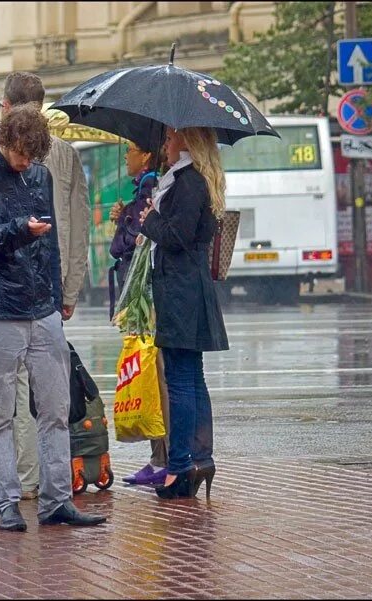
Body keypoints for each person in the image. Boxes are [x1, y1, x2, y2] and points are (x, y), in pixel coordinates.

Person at [0, 105, 106, 531]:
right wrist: (16, 230)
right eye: (22, 155)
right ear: (6, 140)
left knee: (56, 408)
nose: (27, 164)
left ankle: (57, 500)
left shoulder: (40, 173)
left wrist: (55, 297)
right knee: (0, 411)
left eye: (34, 157)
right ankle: (6, 502)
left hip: (41, 310)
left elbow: (50, 241)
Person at [0, 72, 90, 501]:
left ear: (6, 107)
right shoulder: (64, 156)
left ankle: (24, 483)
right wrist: (71, 288)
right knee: (50, 398)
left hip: (7, 296)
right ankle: (45, 484)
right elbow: (76, 227)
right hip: (47, 292)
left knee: (10, 397)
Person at [138, 126, 229, 499]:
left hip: (181, 289)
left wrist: (149, 220)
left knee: (180, 378)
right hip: (187, 285)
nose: (165, 145)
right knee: (191, 376)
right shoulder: (191, 180)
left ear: (188, 142)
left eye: (171, 139)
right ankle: (199, 459)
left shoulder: (188, 182)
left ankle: (179, 468)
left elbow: (177, 235)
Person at [108, 141, 169, 487]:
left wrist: (128, 219)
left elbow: (139, 238)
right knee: (151, 374)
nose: (128, 156)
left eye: (132, 150)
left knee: (153, 375)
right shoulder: (142, 188)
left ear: (146, 155)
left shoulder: (150, 186)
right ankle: (159, 455)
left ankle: (162, 456)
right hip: (141, 290)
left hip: (144, 292)